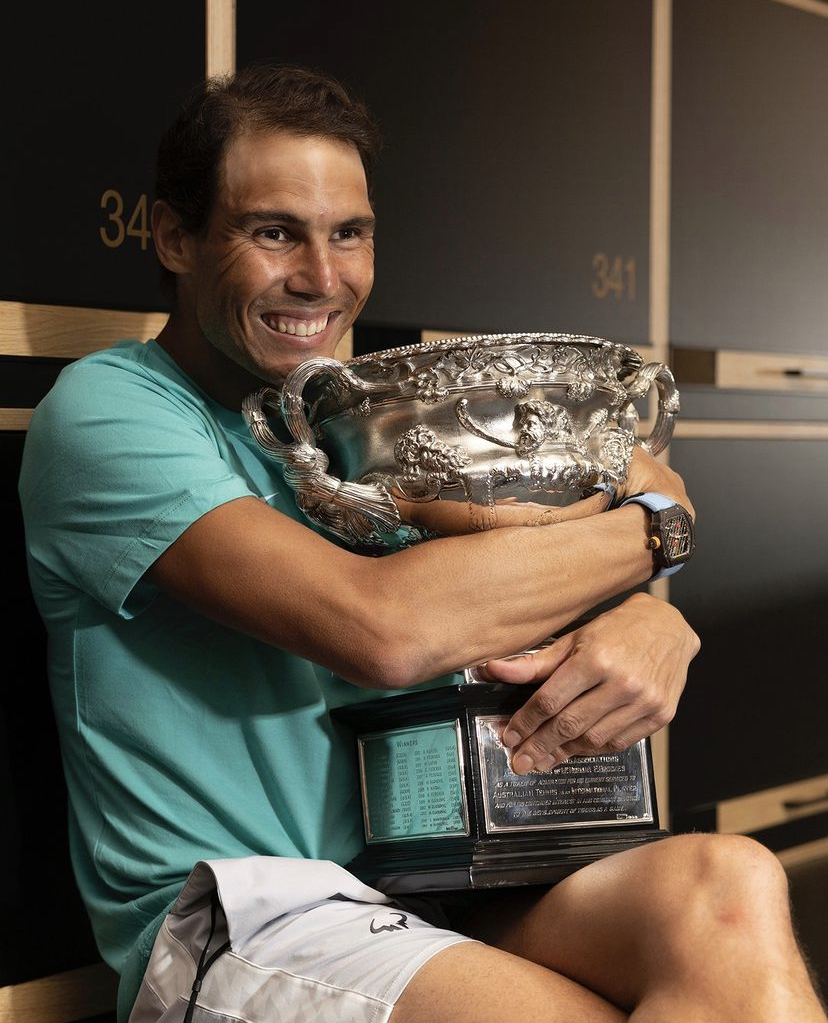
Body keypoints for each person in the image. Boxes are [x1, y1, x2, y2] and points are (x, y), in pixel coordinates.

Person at [18, 63, 825, 1023]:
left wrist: (648, 619)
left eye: (349, 233)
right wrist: (657, 535)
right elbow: (385, 629)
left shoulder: (362, 416)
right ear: (173, 237)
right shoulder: (110, 411)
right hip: (252, 915)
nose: (322, 278)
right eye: (273, 231)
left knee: (731, 888)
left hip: (438, 881)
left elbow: (625, 494)